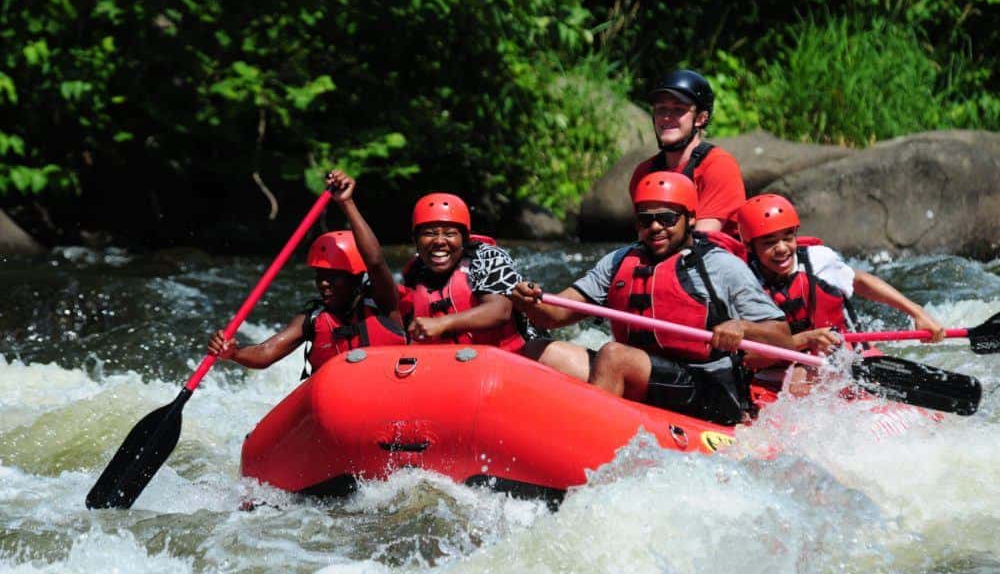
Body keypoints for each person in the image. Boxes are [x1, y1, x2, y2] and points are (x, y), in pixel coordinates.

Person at [512, 172, 794, 425]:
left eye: (667, 218)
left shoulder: (720, 266)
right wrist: (529, 300)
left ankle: (587, 434)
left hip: (708, 389)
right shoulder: (619, 262)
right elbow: (555, 314)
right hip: (645, 374)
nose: (656, 226)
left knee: (614, 356)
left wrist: (743, 327)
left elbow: (782, 338)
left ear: (690, 219)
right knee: (540, 351)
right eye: (646, 219)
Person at [207, 170, 405, 375]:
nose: (323, 283)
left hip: (389, 390)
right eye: (320, 276)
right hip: (338, 400)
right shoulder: (313, 318)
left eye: (333, 277)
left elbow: (375, 262)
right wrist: (233, 353)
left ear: (355, 277)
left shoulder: (383, 301)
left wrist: (346, 203)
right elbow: (265, 353)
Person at [736, 193, 945, 362]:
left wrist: (917, 312)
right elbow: (749, 358)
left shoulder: (817, 260)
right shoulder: (743, 282)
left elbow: (861, 281)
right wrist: (805, 340)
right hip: (781, 370)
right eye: (769, 242)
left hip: (847, 356)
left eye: (787, 238)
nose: (781, 248)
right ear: (749, 246)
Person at [398, 192, 529, 351]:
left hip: (507, 357)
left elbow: (501, 311)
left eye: (450, 233)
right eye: (429, 233)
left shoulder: (487, 257)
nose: (439, 241)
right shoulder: (414, 270)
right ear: (415, 240)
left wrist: (443, 323)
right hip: (449, 363)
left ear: (465, 238)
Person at [629, 69, 746, 238]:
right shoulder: (644, 174)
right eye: (661, 109)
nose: (667, 117)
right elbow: (646, 236)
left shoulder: (719, 166)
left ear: (700, 118)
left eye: (678, 110)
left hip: (712, 258)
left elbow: (702, 239)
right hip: (670, 254)